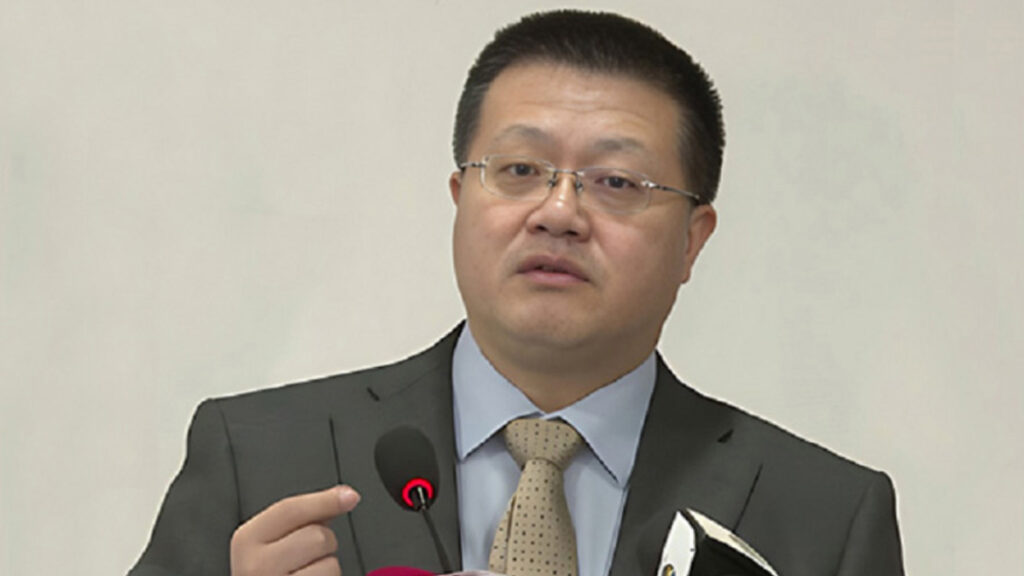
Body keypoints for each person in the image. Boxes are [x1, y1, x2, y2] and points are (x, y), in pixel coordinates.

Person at [129, 10, 904, 576]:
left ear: (692, 241)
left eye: (616, 182)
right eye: (520, 170)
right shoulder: (259, 457)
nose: (559, 212)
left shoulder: (825, 516)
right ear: (461, 199)